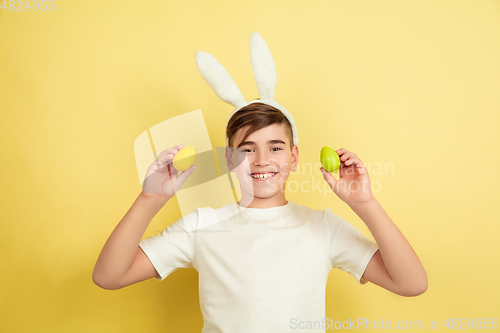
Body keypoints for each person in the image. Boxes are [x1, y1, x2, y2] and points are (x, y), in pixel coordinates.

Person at [92, 33, 427, 333]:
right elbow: (109, 277)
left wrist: (365, 205)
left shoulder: (323, 227)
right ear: (228, 160)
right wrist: (149, 199)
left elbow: (412, 283)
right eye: (247, 149)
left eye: (275, 147)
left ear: (294, 156)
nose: (262, 160)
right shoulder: (201, 226)